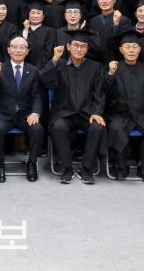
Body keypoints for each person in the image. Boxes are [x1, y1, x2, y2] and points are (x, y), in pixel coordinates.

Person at [41, 29, 106, 184]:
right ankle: (67, 168)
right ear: (68, 46)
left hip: (86, 113)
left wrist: (97, 112)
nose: (79, 49)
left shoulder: (96, 67)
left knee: (98, 127)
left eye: (83, 46)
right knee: (58, 127)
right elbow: (46, 81)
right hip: (64, 113)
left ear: (87, 49)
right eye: (76, 45)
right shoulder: (59, 65)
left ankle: (86, 169)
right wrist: (54, 59)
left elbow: (99, 93)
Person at [104, 30, 144, 181]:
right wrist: (110, 75)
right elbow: (106, 94)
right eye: (127, 47)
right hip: (120, 113)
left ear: (139, 49)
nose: (131, 50)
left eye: (135, 47)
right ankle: (121, 166)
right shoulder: (114, 69)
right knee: (116, 128)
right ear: (121, 50)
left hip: (143, 113)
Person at [0, 35, 44, 182]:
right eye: (15, 47)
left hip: (25, 115)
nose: (18, 50)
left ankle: (32, 164)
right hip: (3, 114)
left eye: (22, 47)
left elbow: (37, 95)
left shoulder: (33, 71)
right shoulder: (0, 68)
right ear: (8, 50)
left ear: (27, 51)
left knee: (37, 129)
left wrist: (36, 113)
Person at [87, 0, 132, 64]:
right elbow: (93, 47)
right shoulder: (93, 22)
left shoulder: (124, 21)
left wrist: (116, 25)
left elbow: (123, 46)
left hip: (118, 64)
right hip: (98, 65)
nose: (104, 1)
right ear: (97, 0)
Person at [22, 0, 55, 68]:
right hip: (23, 69)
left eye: (39, 13)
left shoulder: (50, 32)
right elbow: (21, 50)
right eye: (32, 13)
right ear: (28, 15)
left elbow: (47, 53)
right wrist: (26, 31)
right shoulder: (21, 32)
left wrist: (36, 70)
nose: (35, 16)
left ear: (43, 16)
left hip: (42, 70)